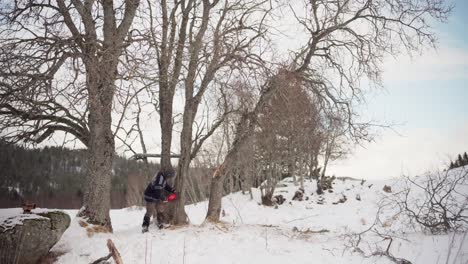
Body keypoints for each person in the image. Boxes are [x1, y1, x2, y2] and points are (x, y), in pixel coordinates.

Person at [142, 168, 176, 232]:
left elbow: (165, 185)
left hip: (156, 195)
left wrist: (172, 190)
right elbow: (157, 191)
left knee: (160, 209)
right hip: (150, 196)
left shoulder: (163, 177)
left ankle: (160, 223)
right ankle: (145, 226)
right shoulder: (159, 178)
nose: (169, 178)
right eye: (170, 177)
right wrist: (163, 198)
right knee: (150, 211)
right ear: (168, 174)